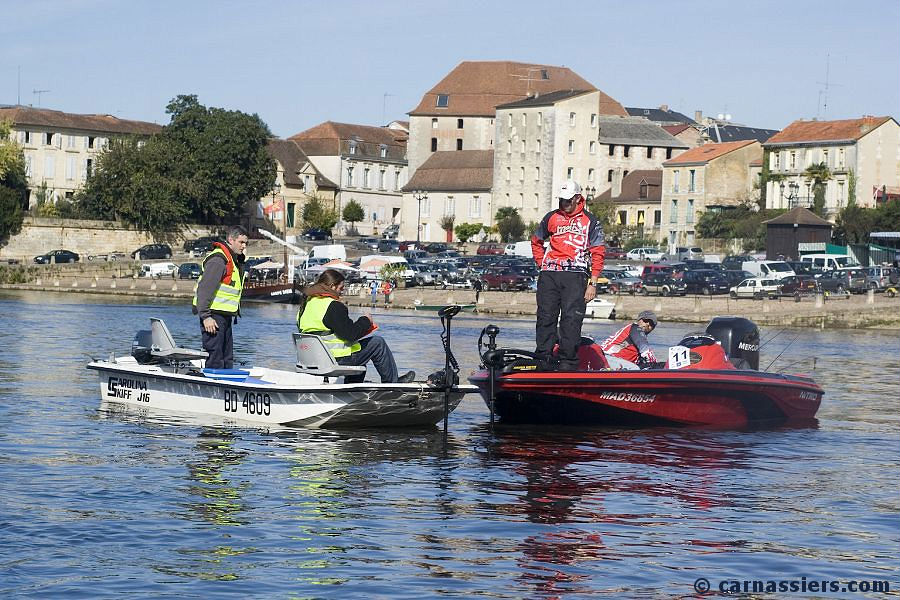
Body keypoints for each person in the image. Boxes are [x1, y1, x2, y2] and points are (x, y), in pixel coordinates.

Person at [531, 179, 606, 371]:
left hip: (576, 275)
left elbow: (598, 252)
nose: (563, 204)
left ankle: (568, 362)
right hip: (550, 274)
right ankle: (543, 358)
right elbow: (536, 240)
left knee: (571, 319)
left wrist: (593, 283)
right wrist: (542, 264)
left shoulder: (591, 221)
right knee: (545, 316)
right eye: (561, 200)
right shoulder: (552, 217)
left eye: (567, 200)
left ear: (577, 198)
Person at [297, 269, 414, 384]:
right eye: (341, 288)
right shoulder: (332, 306)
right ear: (332, 286)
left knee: (360, 352)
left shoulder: (306, 305)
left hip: (311, 360)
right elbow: (350, 335)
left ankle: (352, 388)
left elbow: (335, 332)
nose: (342, 292)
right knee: (378, 343)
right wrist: (365, 321)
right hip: (335, 359)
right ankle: (392, 384)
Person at [192, 225, 249, 369]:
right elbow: (204, 289)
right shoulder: (219, 259)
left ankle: (226, 385)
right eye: (241, 242)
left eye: (245, 243)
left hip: (224, 316)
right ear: (231, 239)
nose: (244, 246)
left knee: (226, 358)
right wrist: (205, 317)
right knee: (215, 357)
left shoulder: (233, 260)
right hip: (213, 317)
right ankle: (212, 387)